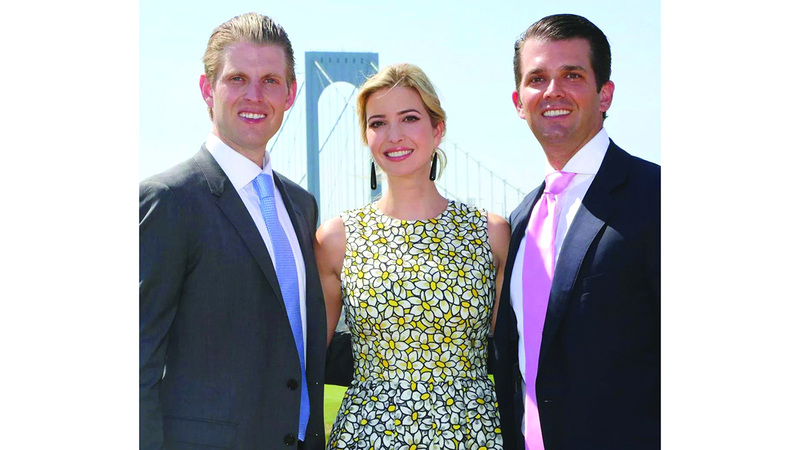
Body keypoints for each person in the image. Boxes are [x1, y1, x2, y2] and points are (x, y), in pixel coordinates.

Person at [139, 13, 326, 449]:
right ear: (208, 89)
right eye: (237, 78)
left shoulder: (302, 206)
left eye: (270, 81)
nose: (254, 95)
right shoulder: (169, 200)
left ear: (290, 94)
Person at [315, 63, 511, 449]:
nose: (394, 135)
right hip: (367, 436)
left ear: (438, 129)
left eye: (409, 118)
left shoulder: (491, 234)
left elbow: (516, 361)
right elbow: (303, 363)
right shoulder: (337, 239)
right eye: (378, 123)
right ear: (366, 137)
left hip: (471, 436)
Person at [492, 14, 661, 450]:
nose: (553, 91)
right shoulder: (519, 220)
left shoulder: (658, 196)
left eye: (572, 75)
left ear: (605, 94)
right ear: (518, 102)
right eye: (537, 79)